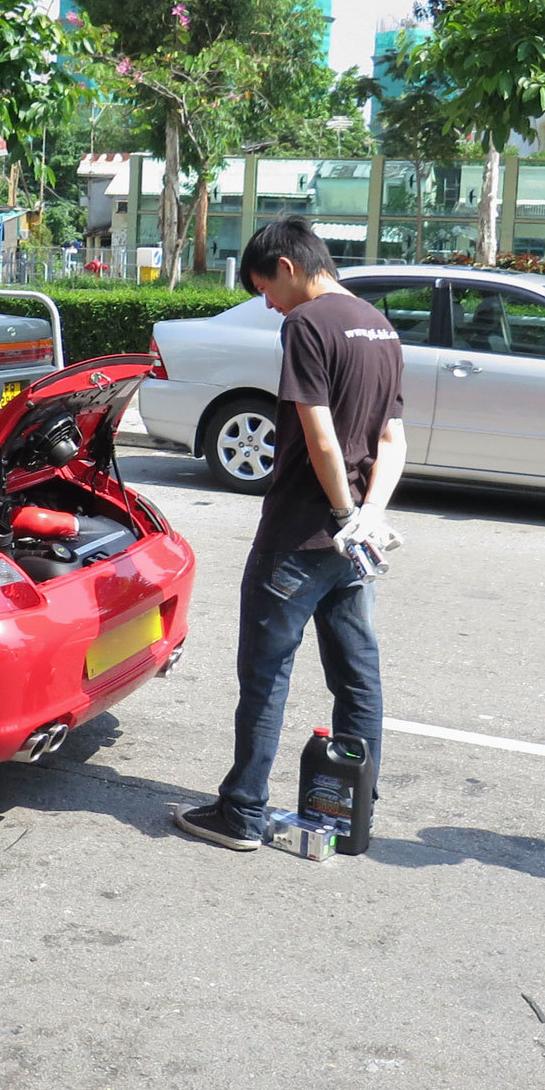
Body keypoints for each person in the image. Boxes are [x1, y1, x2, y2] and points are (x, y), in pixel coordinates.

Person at [174, 216, 408, 851]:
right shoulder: (378, 324)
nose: (268, 305)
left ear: (287, 266)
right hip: (355, 541)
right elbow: (392, 439)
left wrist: (339, 515)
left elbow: (319, 432)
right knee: (357, 673)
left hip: (304, 532)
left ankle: (242, 812)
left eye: (264, 290)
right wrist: (370, 516)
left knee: (266, 672)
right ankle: (354, 808)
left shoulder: (306, 325)